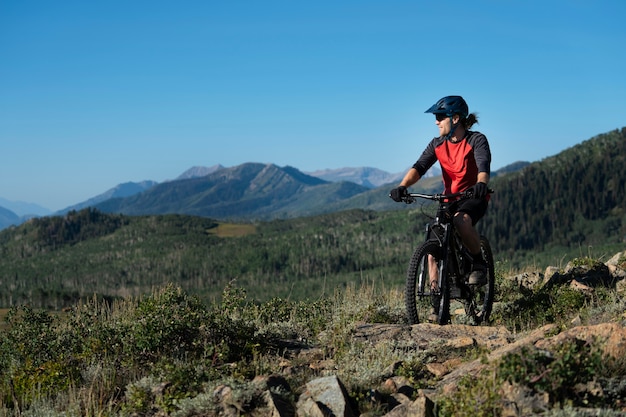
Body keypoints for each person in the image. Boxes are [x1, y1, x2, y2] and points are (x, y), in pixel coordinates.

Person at [389, 95, 491, 319]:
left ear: (455, 119)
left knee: (461, 221)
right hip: (448, 199)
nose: (436, 121)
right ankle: (437, 305)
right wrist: (402, 186)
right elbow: (420, 166)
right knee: (432, 247)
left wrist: (482, 184)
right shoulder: (437, 144)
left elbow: (483, 165)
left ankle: (478, 263)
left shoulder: (476, 140)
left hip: (473, 196)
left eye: (440, 117)